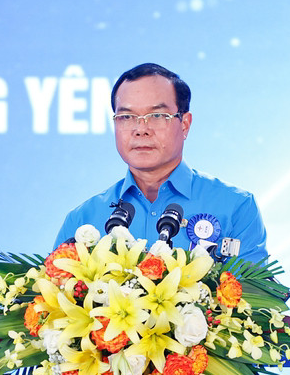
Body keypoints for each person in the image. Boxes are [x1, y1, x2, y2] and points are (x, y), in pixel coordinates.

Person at [54, 63, 268, 264]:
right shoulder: (83, 219)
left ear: (185, 124)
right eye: (127, 117)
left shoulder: (236, 207)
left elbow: (253, 298)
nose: (141, 129)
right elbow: (51, 297)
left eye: (157, 115)